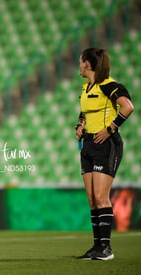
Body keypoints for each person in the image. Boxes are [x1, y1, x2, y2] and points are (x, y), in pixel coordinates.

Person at [75, 48, 134, 260]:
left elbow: (127, 107)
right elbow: (85, 111)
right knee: (92, 199)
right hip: (88, 145)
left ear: (88, 64)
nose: (79, 65)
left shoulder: (109, 85)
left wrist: (110, 128)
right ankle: (96, 247)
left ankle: (106, 249)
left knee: (101, 197)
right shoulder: (85, 87)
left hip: (106, 145)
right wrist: (80, 125)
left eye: (81, 61)